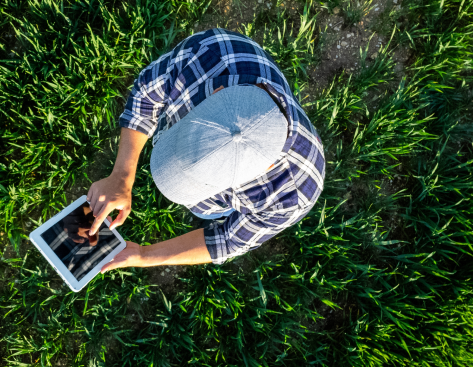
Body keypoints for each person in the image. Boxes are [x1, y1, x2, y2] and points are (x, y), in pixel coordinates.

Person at [89, 28, 325, 273]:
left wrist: (144, 254)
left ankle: (215, 207)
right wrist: (121, 175)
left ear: (265, 169)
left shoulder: (292, 196)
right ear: (218, 92)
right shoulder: (208, 52)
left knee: (210, 212)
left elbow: (227, 239)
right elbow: (146, 96)